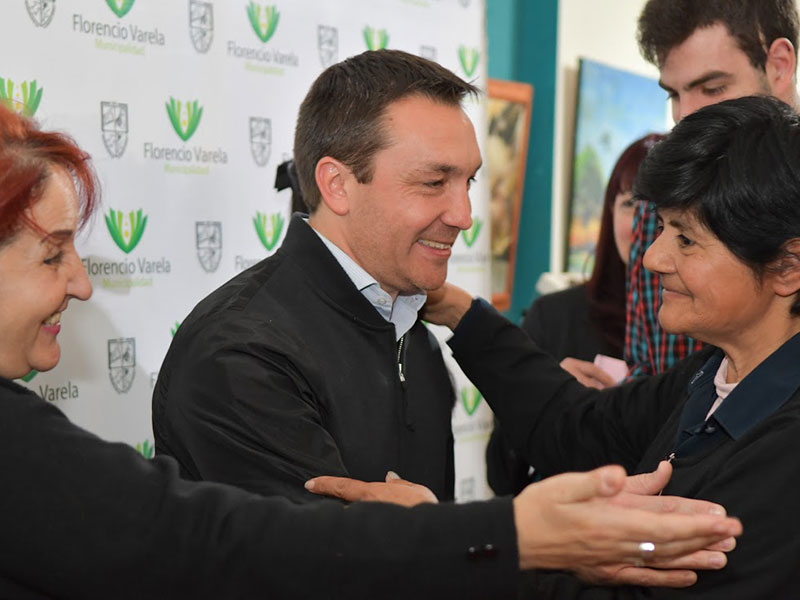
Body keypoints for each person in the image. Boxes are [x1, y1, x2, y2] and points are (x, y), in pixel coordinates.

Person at [0, 104, 741, 597]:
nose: (464, 214)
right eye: (433, 182)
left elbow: (576, 425)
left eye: (469, 182)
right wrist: (517, 536)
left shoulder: (411, 325)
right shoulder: (241, 353)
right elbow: (242, 549)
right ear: (336, 184)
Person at [422, 96, 800, 598]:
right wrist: (460, 312)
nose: (653, 258)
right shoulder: (712, 376)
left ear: (787, 268)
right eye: (662, 228)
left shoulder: (784, 455)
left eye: (686, 240)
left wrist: (443, 543)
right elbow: (579, 426)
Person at [626, 0, 800, 377]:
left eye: (712, 87)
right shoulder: (660, 199)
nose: (685, 115)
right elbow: (649, 365)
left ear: (779, 65)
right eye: (673, 95)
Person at [488, 133, 664, 495]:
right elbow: (502, 473)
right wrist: (546, 399)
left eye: (663, 210)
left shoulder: (703, 331)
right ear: (608, 213)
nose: (645, 224)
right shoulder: (554, 316)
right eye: (631, 204)